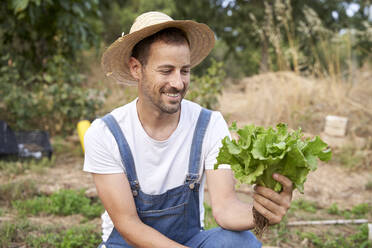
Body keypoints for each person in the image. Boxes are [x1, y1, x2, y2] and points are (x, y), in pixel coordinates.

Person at [83, 11, 293, 248]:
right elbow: (128, 224)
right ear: (136, 68)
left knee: (239, 242)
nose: (178, 83)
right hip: (128, 244)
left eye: (184, 70)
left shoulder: (209, 124)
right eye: (166, 71)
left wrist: (263, 212)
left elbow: (225, 210)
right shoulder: (106, 134)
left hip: (189, 241)